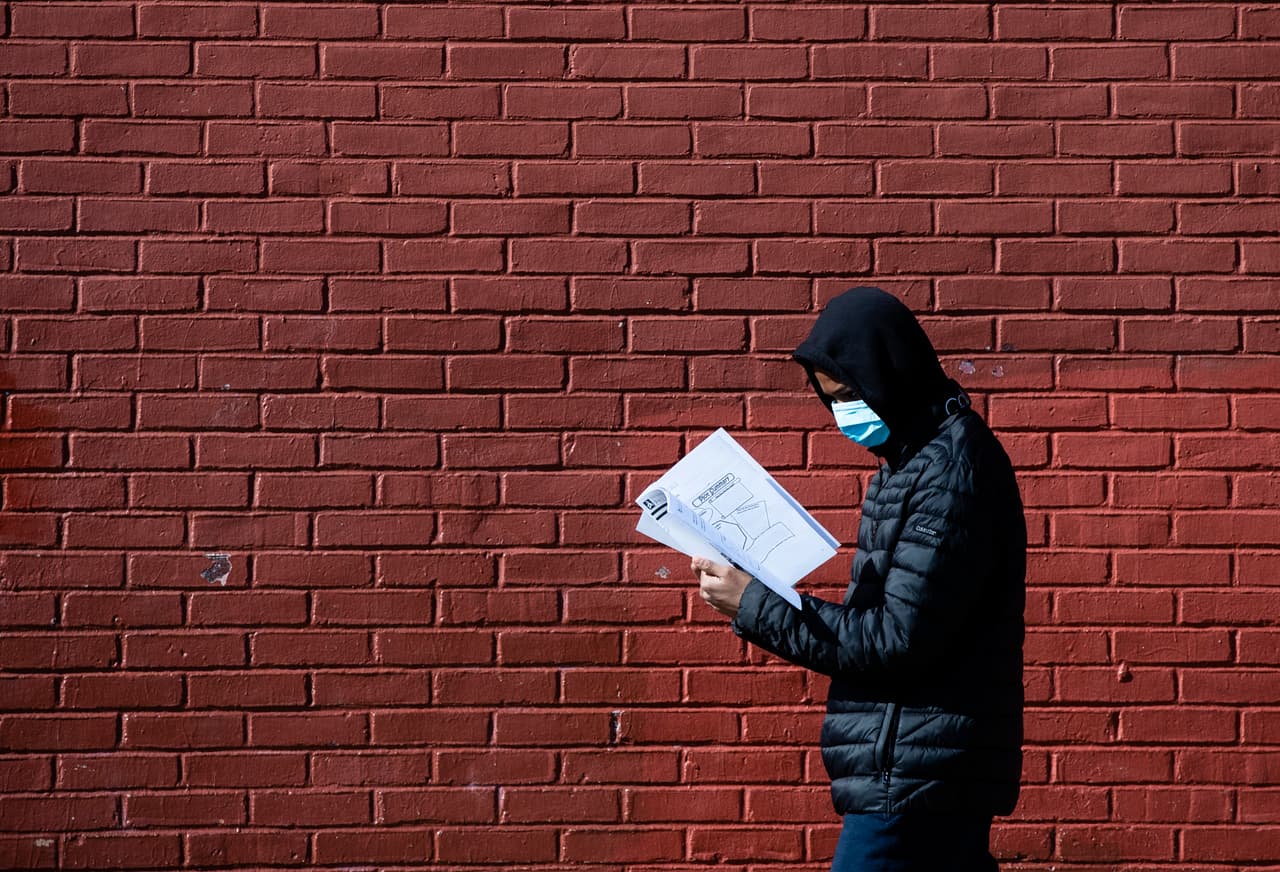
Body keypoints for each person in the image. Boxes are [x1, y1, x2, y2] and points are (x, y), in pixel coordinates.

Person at [692, 286, 1026, 872]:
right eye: (833, 400)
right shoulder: (909, 464)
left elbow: (897, 639)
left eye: (851, 395)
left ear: (891, 374)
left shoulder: (948, 474)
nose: (846, 413)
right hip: (920, 769)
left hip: (915, 779)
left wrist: (756, 606)